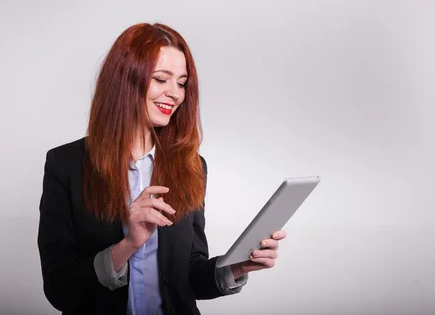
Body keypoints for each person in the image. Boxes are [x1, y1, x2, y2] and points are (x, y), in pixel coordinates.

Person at [37, 23, 287, 314]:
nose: (175, 94)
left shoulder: (191, 166)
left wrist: (237, 266)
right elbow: (60, 290)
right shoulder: (65, 165)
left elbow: (188, 277)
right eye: (161, 79)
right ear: (124, 79)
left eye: (181, 83)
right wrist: (129, 243)